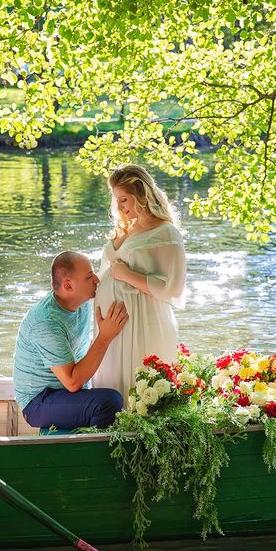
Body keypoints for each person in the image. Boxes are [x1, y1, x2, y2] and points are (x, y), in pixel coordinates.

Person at [93, 164, 186, 399]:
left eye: (124, 199)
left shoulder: (166, 232)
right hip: (112, 327)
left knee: (135, 388)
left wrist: (127, 276)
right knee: (112, 386)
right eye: (117, 200)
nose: (120, 207)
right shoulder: (129, 227)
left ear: (142, 194)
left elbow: (173, 289)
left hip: (141, 324)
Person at [13, 251, 128, 429]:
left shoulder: (81, 303)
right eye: (89, 277)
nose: (97, 280)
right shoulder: (46, 322)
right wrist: (105, 337)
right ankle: (91, 453)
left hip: (65, 392)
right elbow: (73, 383)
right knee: (109, 402)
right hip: (38, 401)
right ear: (68, 286)